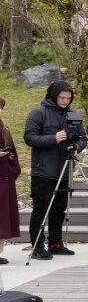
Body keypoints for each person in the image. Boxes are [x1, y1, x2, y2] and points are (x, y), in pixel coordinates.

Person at [24, 80, 87, 260]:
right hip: (43, 170)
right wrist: (53, 138)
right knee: (41, 208)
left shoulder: (73, 115)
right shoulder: (39, 113)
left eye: (68, 98)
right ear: (54, 95)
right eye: (62, 97)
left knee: (59, 208)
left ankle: (56, 243)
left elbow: (83, 138)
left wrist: (76, 146)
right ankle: (37, 245)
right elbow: (29, 137)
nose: (65, 101)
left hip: (64, 169)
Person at [0, 96, 21, 265]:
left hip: (4, 176)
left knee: (2, 217)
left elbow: (12, 151)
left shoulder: (4, 128)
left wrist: (13, 170)